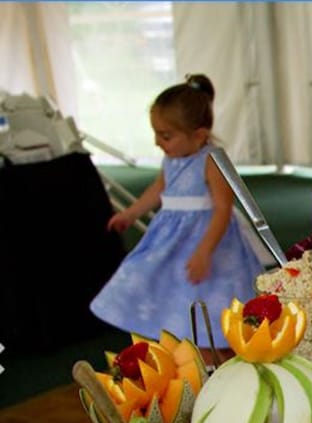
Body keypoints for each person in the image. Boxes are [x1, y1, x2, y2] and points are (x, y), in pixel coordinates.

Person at [91, 74, 263, 354]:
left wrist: (205, 251)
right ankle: (182, 348)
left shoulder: (212, 160)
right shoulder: (171, 159)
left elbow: (223, 210)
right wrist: (132, 213)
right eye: (156, 133)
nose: (158, 142)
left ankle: (217, 354)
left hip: (208, 245)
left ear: (199, 134)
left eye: (166, 135)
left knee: (211, 300)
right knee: (175, 294)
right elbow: (159, 189)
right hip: (172, 243)